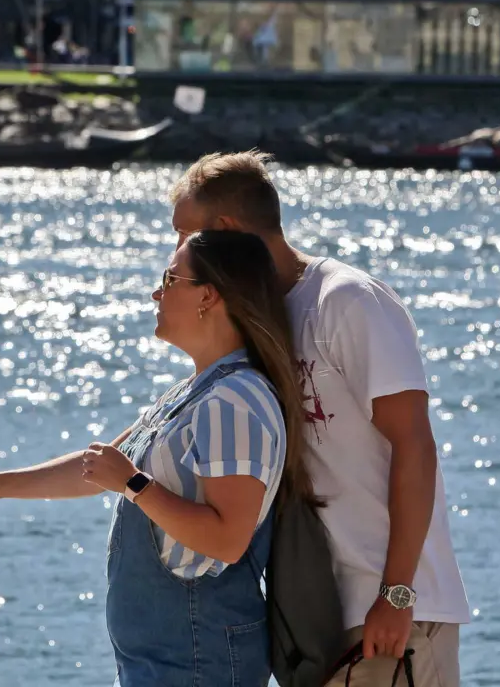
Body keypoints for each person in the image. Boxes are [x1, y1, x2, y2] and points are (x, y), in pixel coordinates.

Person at [0, 230, 316, 687]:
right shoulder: (195, 393)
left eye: (170, 278)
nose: (157, 292)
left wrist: (135, 486)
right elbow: (100, 468)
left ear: (208, 296)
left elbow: (227, 538)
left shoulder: (233, 402)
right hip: (161, 663)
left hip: (197, 662)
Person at [168, 152, 470, 687]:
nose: (175, 253)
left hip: (393, 614)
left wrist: (396, 594)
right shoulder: (257, 319)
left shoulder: (348, 301)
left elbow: (415, 446)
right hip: (314, 618)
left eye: (184, 235)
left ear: (225, 230)